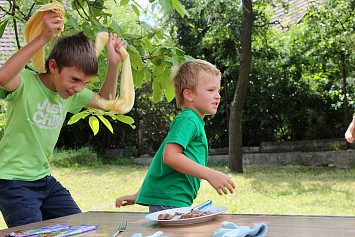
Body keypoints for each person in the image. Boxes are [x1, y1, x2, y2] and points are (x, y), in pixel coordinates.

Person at [0, 10, 126, 227]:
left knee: (80, 228)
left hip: (44, 179)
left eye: (85, 83)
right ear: (53, 66)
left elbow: (106, 101)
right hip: (14, 182)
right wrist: (43, 39)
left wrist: (114, 64)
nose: (79, 89)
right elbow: (3, 78)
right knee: (32, 233)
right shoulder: (26, 83)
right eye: (75, 79)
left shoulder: (69, 93)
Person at [115, 59, 235, 213]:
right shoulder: (188, 120)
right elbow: (170, 157)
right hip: (171, 202)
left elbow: (161, 159)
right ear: (189, 95)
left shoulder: (191, 121)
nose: (217, 96)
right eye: (210, 90)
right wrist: (210, 174)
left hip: (171, 200)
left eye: (218, 90)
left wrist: (138, 194)